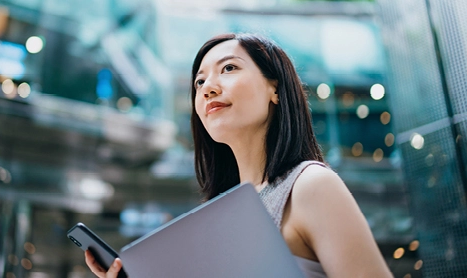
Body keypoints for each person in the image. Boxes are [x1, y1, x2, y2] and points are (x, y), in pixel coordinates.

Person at [86, 33, 393, 277]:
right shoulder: (219, 217)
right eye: (199, 82)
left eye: (229, 68)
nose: (207, 89)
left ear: (275, 88)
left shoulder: (310, 185)